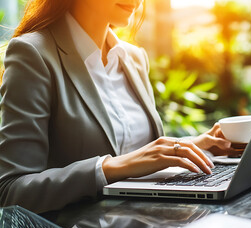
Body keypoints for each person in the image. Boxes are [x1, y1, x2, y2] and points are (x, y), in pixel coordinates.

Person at [0, 0, 232, 213]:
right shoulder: (33, 53)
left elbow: (137, 153)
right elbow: (11, 191)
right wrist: (107, 168)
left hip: (151, 222)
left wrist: (194, 146)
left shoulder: (134, 58)